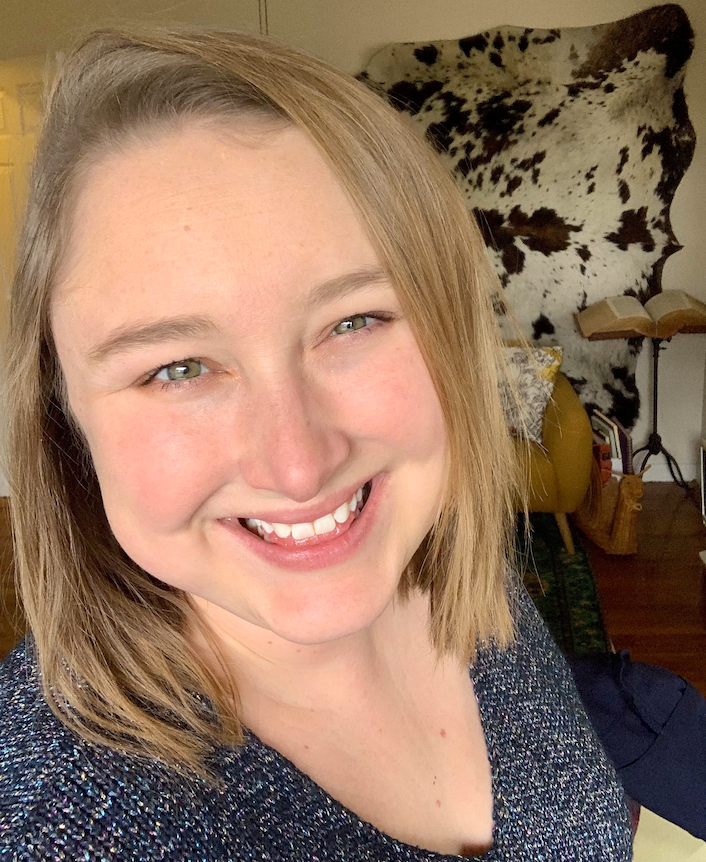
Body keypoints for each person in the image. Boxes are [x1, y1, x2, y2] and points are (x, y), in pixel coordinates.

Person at [0, 27, 632, 860]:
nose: (298, 464)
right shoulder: (50, 819)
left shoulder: (465, 585)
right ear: (64, 417)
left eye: (354, 321)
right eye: (178, 367)